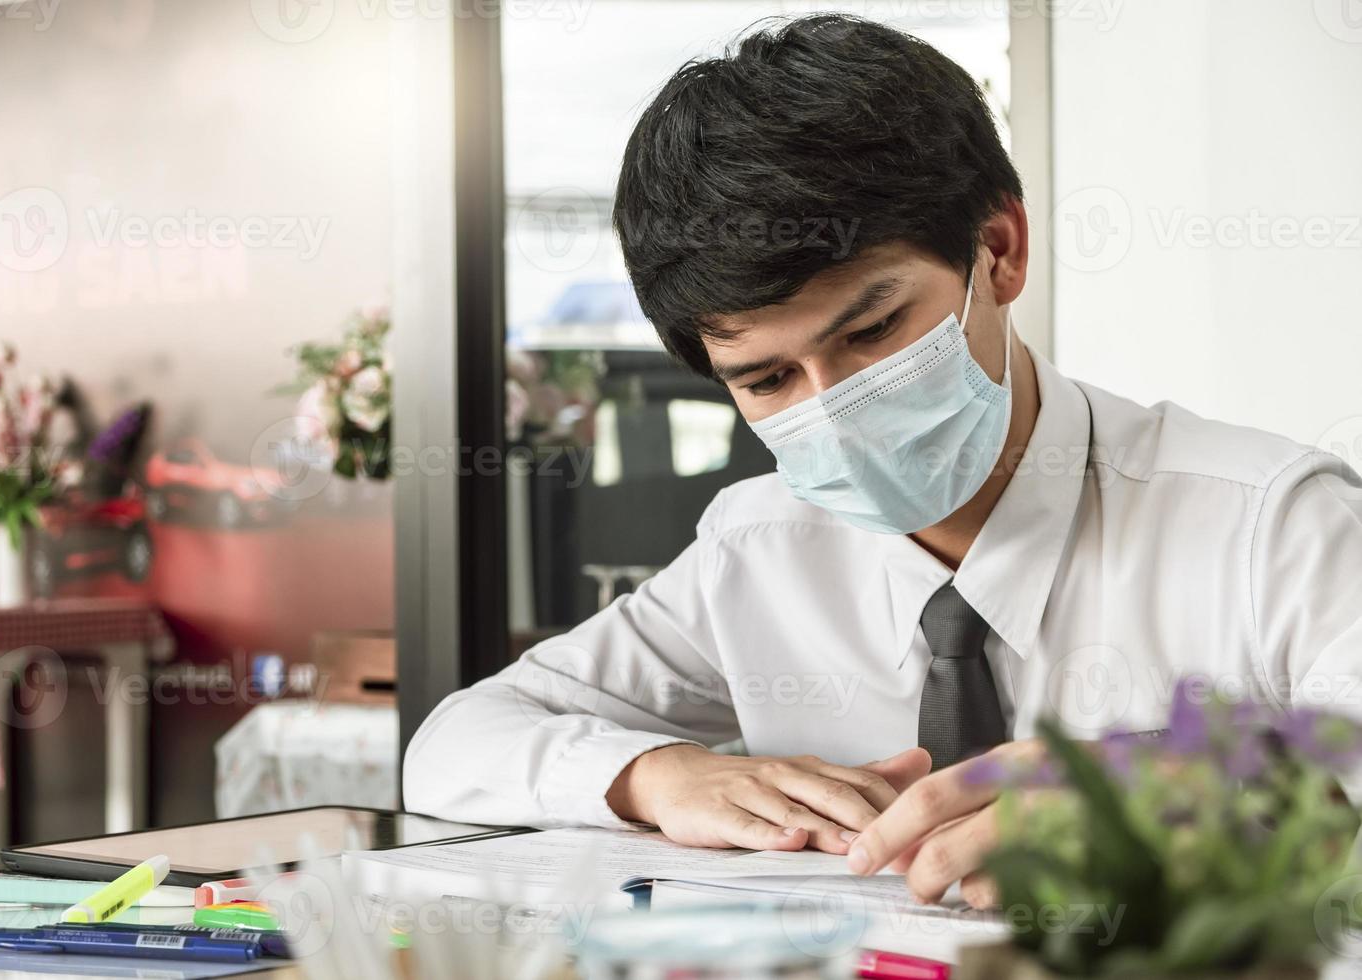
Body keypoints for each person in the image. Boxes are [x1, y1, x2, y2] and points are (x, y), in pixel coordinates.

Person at [403, 14, 1362, 908]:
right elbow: (454, 744)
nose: (835, 413)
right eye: (768, 378)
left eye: (872, 331)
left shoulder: (1271, 525)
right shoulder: (760, 550)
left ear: (998, 251)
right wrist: (659, 775)